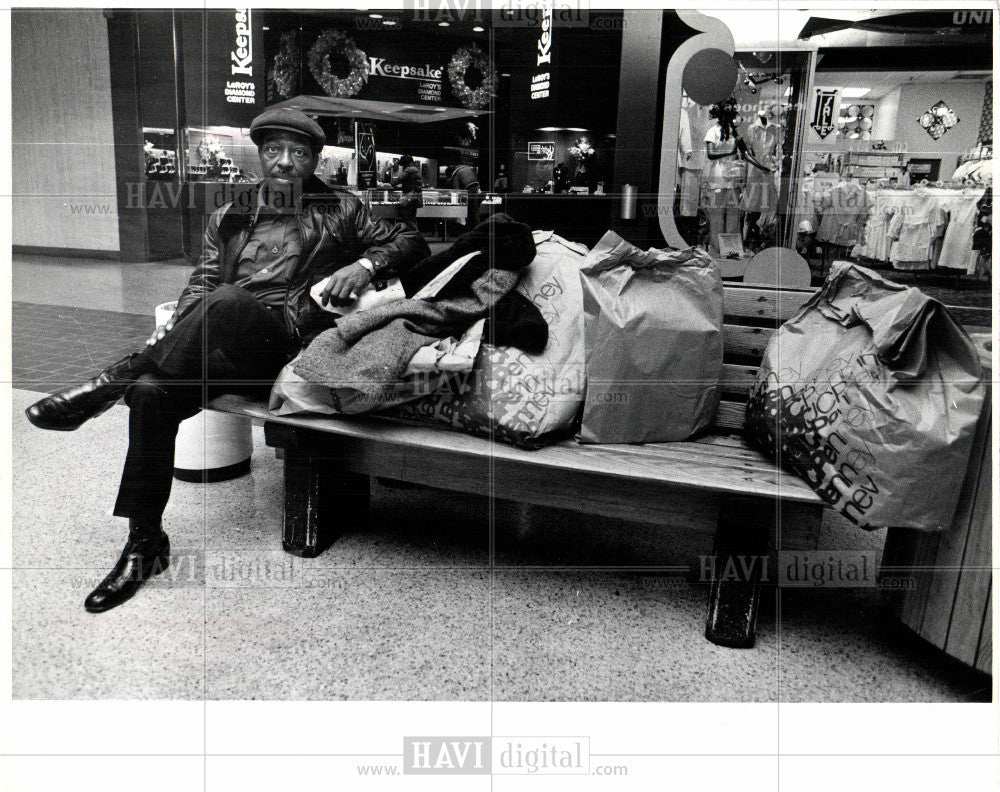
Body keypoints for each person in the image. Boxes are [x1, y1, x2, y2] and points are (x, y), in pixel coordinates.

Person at [24, 107, 430, 613]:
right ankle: (144, 542)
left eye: (299, 153)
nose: (285, 162)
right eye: (274, 151)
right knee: (152, 393)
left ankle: (110, 382)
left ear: (315, 160)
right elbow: (202, 283)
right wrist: (179, 328)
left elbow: (410, 242)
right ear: (260, 155)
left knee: (232, 302)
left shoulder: (341, 208)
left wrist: (364, 262)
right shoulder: (230, 214)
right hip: (225, 344)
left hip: (289, 348)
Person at [391, 153, 424, 223]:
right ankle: (414, 232)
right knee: (412, 219)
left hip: (409, 199)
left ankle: (412, 232)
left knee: (407, 220)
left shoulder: (409, 170)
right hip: (415, 198)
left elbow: (397, 180)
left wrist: (391, 183)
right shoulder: (416, 169)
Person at [449, 159, 481, 227]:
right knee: (474, 209)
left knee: (468, 208)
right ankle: (476, 226)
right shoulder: (467, 168)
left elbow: (456, 190)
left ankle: (466, 226)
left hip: (469, 188)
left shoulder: (455, 174)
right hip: (476, 186)